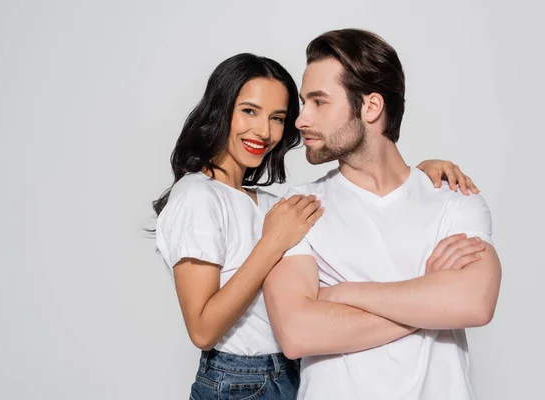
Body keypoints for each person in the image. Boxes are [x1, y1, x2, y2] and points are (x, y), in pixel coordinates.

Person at [152, 53, 478, 400]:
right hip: (238, 382)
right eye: (249, 111)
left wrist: (418, 175)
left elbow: (356, 194)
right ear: (220, 109)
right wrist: (271, 244)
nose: (264, 131)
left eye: (277, 118)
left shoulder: (265, 200)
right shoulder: (197, 196)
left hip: (292, 375)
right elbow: (202, 329)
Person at [263, 29, 502, 400]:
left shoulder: (453, 198)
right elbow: (297, 333)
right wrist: (428, 297)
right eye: (303, 102)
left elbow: (474, 302)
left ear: (371, 107)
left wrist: (342, 294)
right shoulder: (298, 209)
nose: (300, 119)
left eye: (319, 102)